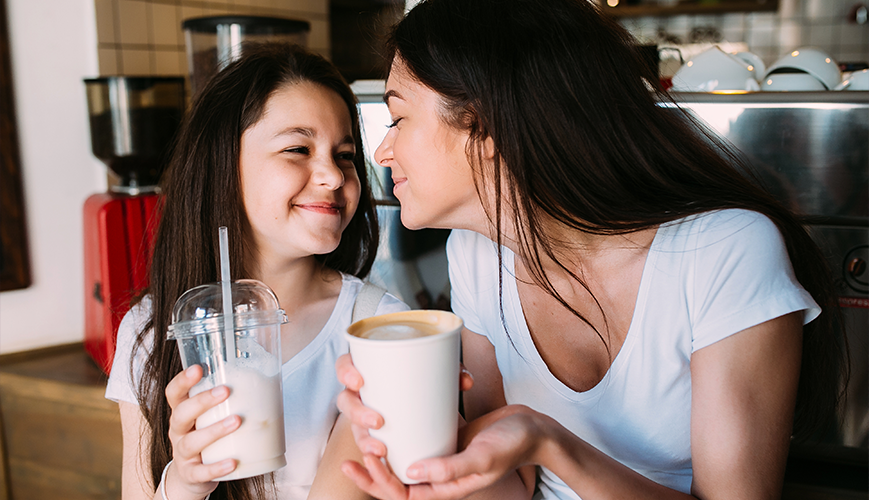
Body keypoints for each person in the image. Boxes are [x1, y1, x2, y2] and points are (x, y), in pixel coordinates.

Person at [334, 0, 849, 499]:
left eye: (398, 119)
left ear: (484, 126)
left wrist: (548, 442)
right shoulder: (474, 254)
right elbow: (509, 486)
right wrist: (427, 451)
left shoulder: (725, 251)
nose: (381, 150)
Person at [105, 42, 409, 500]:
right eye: (297, 149)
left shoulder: (378, 328)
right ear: (224, 167)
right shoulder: (149, 333)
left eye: (344, 154)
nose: (332, 175)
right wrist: (185, 483)